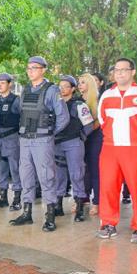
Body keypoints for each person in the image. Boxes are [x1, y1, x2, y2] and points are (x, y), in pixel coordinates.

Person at [96, 57, 137, 243]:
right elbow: (102, 120)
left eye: (124, 70)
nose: (119, 73)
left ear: (133, 72)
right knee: (108, 187)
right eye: (116, 70)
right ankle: (108, 223)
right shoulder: (107, 95)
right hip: (110, 148)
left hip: (135, 149)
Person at [9, 56, 70, 231]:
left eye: (34, 68)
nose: (30, 71)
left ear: (43, 70)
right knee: (25, 175)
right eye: (28, 68)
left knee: (46, 176)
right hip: (25, 139)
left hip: (42, 139)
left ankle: (50, 216)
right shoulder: (26, 90)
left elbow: (63, 118)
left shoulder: (51, 90)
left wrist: (49, 133)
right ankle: (27, 213)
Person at [55, 75, 94, 222]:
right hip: (57, 144)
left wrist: (80, 138)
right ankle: (58, 205)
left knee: (77, 175)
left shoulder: (79, 104)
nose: (62, 89)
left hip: (73, 143)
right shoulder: (55, 104)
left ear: (72, 89)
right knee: (59, 176)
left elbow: (89, 125)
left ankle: (79, 207)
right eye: (60, 86)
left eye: (66, 86)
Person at [0, 73, 22, 211]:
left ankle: (17, 198)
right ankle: (3, 197)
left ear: (10, 84)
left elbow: (23, 119)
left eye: (3, 83)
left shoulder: (16, 100)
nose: (0, 85)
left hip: (12, 139)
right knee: (1, 169)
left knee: (15, 169)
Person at [78, 73, 103, 216]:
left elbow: (97, 123)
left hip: (95, 139)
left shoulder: (98, 101)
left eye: (82, 82)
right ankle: (83, 197)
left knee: (95, 171)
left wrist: (84, 132)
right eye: (79, 82)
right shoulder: (78, 101)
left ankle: (98, 202)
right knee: (83, 171)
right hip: (81, 139)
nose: (79, 85)